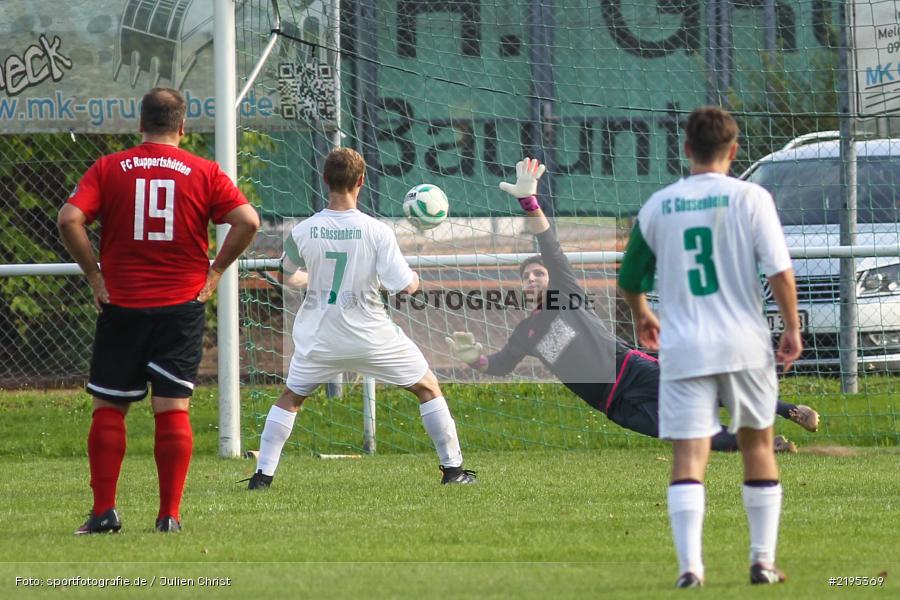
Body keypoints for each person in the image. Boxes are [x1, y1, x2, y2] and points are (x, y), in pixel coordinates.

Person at [445, 158, 817, 454]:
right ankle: (768, 446)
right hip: (612, 404)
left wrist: (529, 202)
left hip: (631, 370)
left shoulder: (565, 295)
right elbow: (501, 364)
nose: (532, 279)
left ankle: (790, 411)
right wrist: (474, 359)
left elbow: (550, 246)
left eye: (538, 273)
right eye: (526, 276)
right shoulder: (527, 331)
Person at [57, 87, 260, 534]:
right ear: (183, 127)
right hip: (181, 307)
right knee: (172, 408)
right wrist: (216, 272)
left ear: (140, 124)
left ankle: (104, 512)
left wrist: (94, 275)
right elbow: (248, 220)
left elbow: (69, 218)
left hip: (122, 304)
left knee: (109, 408)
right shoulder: (204, 171)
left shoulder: (109, 167)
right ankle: (169, 516)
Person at [618, 106, 802, 587]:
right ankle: (762, 562)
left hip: (684, 348)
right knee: (757, 444)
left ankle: (690, 569)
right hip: (745, 345)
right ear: (734, 150)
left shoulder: (660, 205)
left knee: (689, 454)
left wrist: (642, 313)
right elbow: (779, 271)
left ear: (686, 149)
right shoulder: (751, 198)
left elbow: (630, 277)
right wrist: (791, 326)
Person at [247, 147, 476, 489]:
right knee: (427, 388)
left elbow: (287, 275)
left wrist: (311, 279)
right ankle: (453, 471)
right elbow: (405, 286)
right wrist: (414, 279)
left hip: (320, 337)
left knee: (291, 398)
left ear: (325, 180)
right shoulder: (376, 231)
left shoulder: (303, 231)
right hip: (372, 337)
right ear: (362, 181)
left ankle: (262, 477)